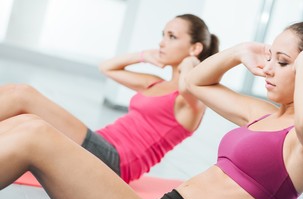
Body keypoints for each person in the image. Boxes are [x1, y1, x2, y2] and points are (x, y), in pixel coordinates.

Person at [0, 21, 303, 199]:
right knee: (29, 121)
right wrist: (237, 52)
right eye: (271, 59)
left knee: (36, 134)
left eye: (281, 63)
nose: (267, 68)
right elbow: (195, 83)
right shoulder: (263, 114)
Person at [0, 14, 219, 183]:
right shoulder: (154, 82)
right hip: (99, 143)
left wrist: (191, 63)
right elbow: (107, 68)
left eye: (171, 37)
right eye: (163, 35)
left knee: (23, 95)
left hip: (114, 162)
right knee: (21, 110)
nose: (162, 42)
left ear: (195, 47)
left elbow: (188, 84)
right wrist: (143, 56)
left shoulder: (192, 99)